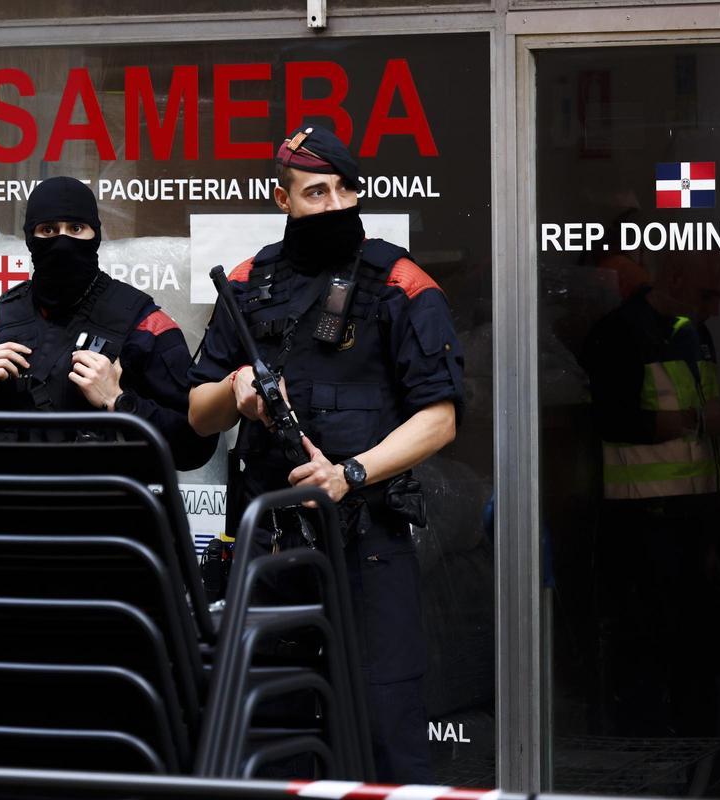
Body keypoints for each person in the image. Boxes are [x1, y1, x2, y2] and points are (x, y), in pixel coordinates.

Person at [187, 123, 463, 783]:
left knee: (382, 726)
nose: (335, 204)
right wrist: (238, 392)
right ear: (284, 200)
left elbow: (441, 418)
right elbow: (197, 413)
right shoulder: (250, 282)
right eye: (316, 192)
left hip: (366, 540)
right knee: (270, 727)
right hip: (272, 549)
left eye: (345, 189)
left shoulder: (397, 281)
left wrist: (349, 475)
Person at [581, 246, 720, 737]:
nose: (715, 308)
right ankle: (652, 769)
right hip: (643, 524)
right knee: (648, 660)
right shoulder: (621, 333)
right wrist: (703, 419)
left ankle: (696, 771)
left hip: (695, 522)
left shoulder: (695, 334)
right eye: (708, 294)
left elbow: (696, 423)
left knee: (697, 662)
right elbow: (612, 419)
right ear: (674, 276)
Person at [0, 176, 217, 472]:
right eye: (48, 230)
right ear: (31, 238)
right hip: (13, 510)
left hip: (110, 512)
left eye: (76, 228)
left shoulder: (143, 323)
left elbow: (196, 444)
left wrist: (119, 401)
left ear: (95, 235)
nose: (62, 241)